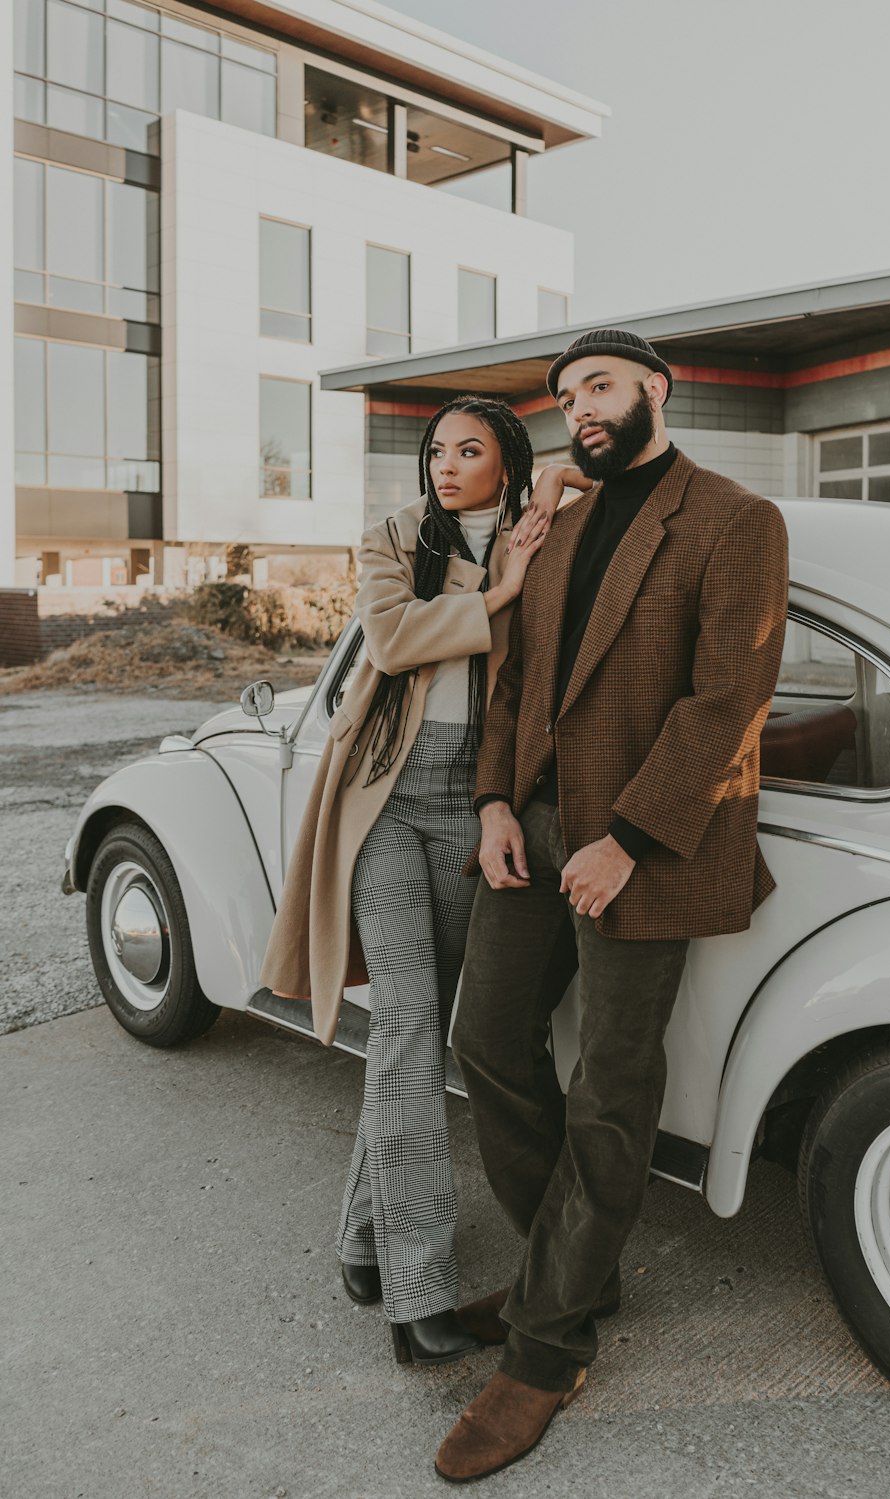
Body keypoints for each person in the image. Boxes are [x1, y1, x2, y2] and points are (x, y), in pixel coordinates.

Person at [434, 329, 790, 1480]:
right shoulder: (563, 519)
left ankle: (547, 1347)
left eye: (598, 385)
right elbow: (517, 675)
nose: (579, 406)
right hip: (530, 832)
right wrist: (494, 800)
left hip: (649, 845)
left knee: (610, 1092)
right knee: (485, 1038)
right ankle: (573, 1268)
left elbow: (728, 694)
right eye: (567, 394)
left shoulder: (735, 516)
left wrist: (629, 839)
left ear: (654, 390)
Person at [259, 396, 562, 1369]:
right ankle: (417, 1287)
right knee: (400, 1027)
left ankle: (360, 1236)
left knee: (422, 1032)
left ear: (505, 461)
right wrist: (500, 593)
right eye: (437, 448)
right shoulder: (390, 538)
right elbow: (390, 642)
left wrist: (548, 496)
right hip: (387, 799)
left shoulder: (536, 533)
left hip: (482, 803)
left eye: (470, 449)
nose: (445, 463)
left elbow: (593, 479)